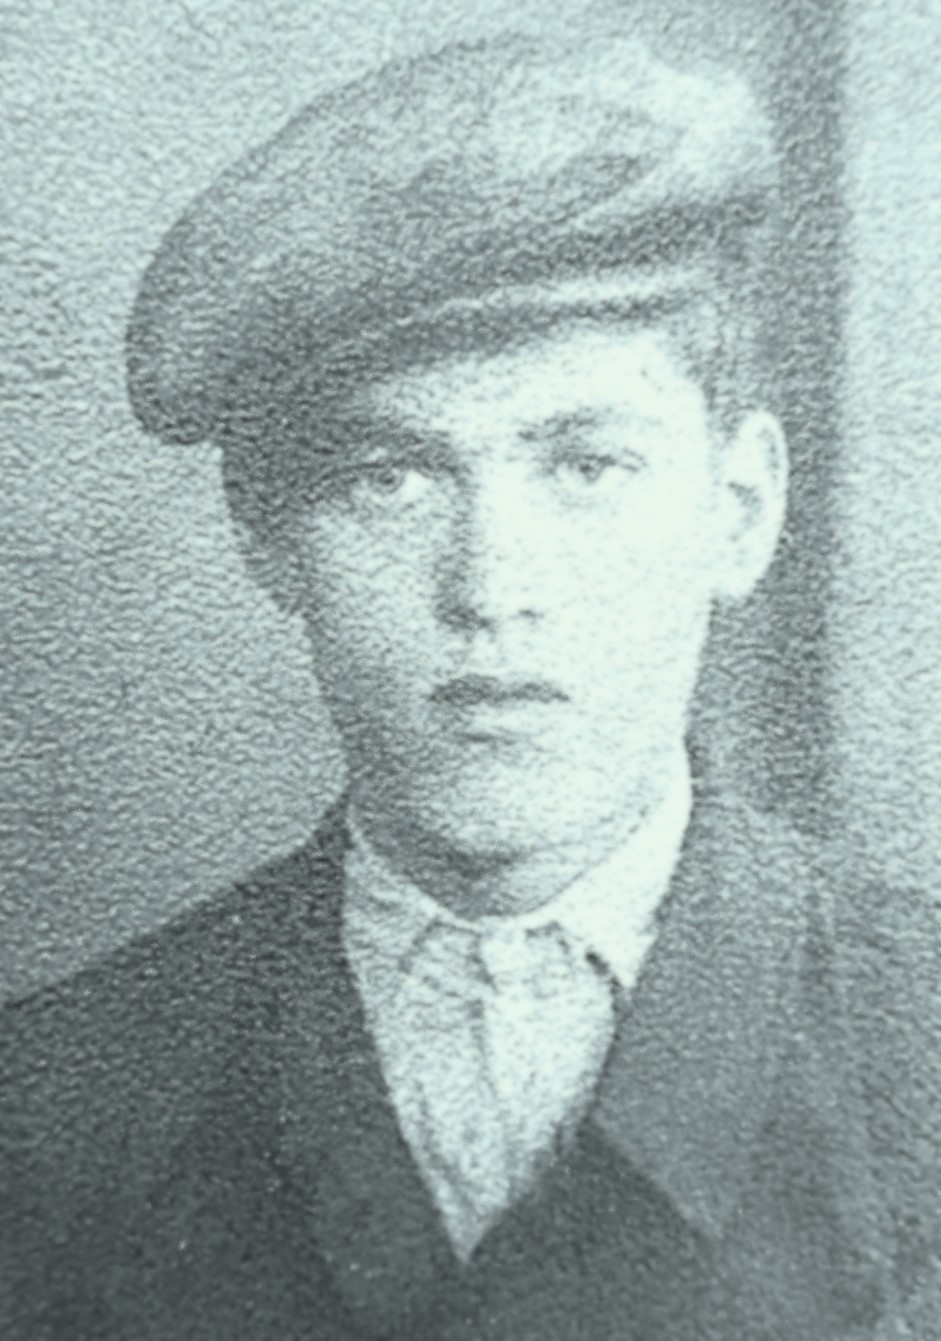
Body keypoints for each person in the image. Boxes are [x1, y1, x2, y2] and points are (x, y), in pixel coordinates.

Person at [2, 23, 939, 1341]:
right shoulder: (58, 1109)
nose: (492, 586)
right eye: (390, 478)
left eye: (586, 467)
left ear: (739, 510)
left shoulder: (919, 1044)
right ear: (270, 538)